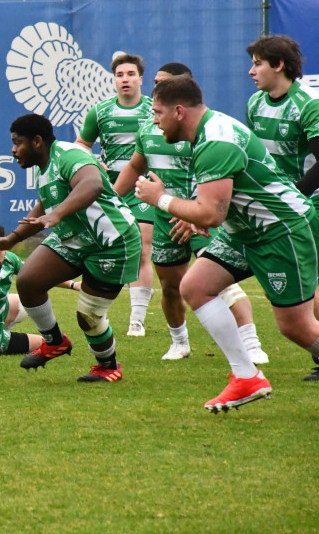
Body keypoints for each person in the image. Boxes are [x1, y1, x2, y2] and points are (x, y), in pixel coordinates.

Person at [135, 75, 319, 411]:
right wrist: (194, 214)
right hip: (246, 231)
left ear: (178, 112)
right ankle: (246, 377)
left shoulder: (215, 140)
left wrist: (160, 199)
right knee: (196, 286)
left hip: (280, 230)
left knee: (296, 326)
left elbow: (211, 215)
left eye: (158, 113)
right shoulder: (204, 132)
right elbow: (217, 204)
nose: (153, 120)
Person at [113, 62, 267, 363]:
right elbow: (135, 166)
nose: (156, 92)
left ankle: (252, 343)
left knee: (223, 283)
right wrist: (110, 199)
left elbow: (216, 184)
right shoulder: (150, 130)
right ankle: (179, 343)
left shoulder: (206, 133)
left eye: (163, 84)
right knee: (170, 287)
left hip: (201, 217)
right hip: (165, 218)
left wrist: (190, 212)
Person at [0, 114, 141, 383]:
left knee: (88, 315)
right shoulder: (45, 167)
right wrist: (11, 240)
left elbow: (92, 184)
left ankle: (108, 366)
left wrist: (58, 215)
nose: (13, 149)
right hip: (74, 239)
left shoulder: (69, 154)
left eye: (18, 143)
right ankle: (55, 342)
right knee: (28, 280)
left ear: (37, 141)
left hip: (111, 242)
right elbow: (43, 207)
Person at [243, 34, 319, 381]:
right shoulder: (254, 104)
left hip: (308, 207)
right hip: (274, 208)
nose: (251, 71)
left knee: (313, 284)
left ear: (279, 65)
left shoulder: (306, 104)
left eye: (258, 63)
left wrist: (296, 196)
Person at [76, 53, 156, 337]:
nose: (125, 79)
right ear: (114, 79)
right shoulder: (99, 112)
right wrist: (93, 162)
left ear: (140, 79)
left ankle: (137, 319)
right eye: (120, 75)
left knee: (144, 245)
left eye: (131, 74)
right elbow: (81, 146)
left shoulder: (153, 110)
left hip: (143, 187)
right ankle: (97, 310)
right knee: (105, 248)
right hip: (110, 189)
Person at [0, 221, 84, 358]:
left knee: (23, 302)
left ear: (5, 246)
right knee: (45, 344)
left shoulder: (8, 260)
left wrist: (73, 285)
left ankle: (0, 328)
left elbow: (37, 274)